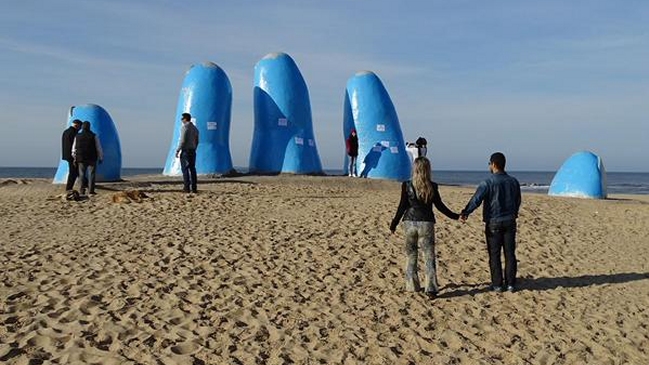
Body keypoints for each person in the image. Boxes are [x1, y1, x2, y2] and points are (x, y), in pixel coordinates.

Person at [390, 157, 460, 298]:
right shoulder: (432, 186)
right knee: (428, 256)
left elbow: (402, 206)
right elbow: (440, 206)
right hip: (427, 223)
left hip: (409, 222)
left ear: (414, 169)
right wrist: (456, 216)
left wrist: (394, 223)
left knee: (411, 255)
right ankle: (431, 288)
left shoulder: (407, 185)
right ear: (428, 170)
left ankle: (412, 285)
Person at [460, 152, 521, 293]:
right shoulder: (514, 182)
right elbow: (517, 200)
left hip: (493, 222)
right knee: (509, 253)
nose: (489, 166)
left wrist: (465, 212)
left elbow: (476, 199)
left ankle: (498, 284)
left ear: (493, 164)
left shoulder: (487, 183)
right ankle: (510, 283)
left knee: (494, 254)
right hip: (509, 221)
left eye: (489, 163)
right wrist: (514, 213)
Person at [72, 121, 103, 195]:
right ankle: (91, 190)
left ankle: (81, 190)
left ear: (82, 127)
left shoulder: (77, 136)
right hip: (92, 158)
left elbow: (74, 148)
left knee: (81, 174)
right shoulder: (93, 135)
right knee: (92, 174)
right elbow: (98, 147)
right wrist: (100, 157)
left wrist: (74, 157)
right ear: (89, 127)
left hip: (81, 158)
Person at [175, 112, 199, 193]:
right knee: (192, 169)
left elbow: (182, 140)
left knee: (185, 169)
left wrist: (178, 150)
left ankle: (186, 187)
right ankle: (194, 187)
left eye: (182, 118)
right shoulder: (195, 128)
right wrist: (194, 148)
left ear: (185, 119)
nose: (181, 120)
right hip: (193, 150)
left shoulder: (185, 127)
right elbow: (197, 140)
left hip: (186, 150)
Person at [61, 119, 82, 191]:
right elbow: (75, 145)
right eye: (79, 127)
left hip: (66, 154)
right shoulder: (74, 133)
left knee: (76, 171)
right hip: (72, 155)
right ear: (77, 125)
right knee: (73, 172)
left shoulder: (66, 131)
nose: (80, 129)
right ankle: (69, 187)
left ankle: (85, 183)